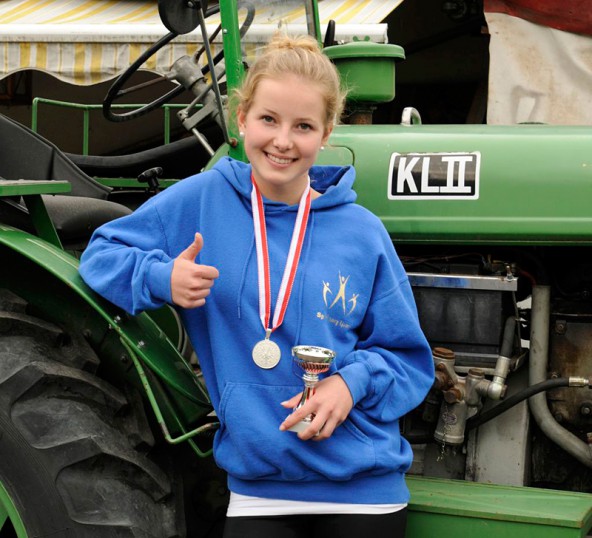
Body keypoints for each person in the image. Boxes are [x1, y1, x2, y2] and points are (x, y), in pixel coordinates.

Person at [79, 33, 435, 538]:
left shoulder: (361, 231)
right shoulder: (204, 199)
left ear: (327, 133)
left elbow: (408, 360)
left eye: (304, 126)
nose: (283, 141)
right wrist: (163, 277)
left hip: (364, 490)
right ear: (241, 119)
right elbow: (101, 254)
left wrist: (349, 384)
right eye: (268, 119)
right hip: (259, 488)